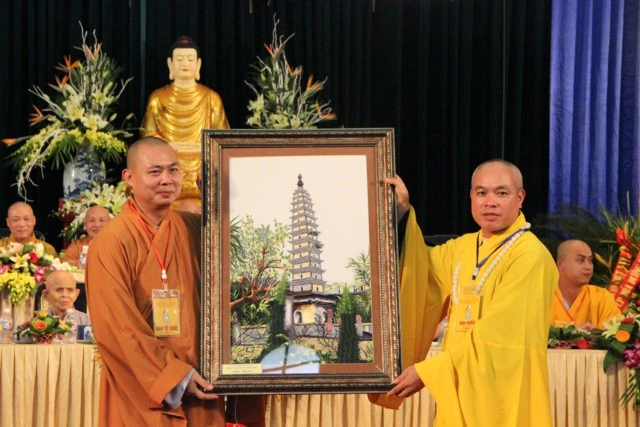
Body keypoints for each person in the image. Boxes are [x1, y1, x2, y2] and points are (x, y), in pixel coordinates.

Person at [85, 137, 262, 426]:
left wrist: (218, 193)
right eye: (155, 171)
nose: (166, 179)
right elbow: (118, 328)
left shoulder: (194, 229)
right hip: (143, 390)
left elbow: (243, 247)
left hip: (201, 382)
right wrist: (175, 376)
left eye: (173, 170)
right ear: (129, 178)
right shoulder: (111, 243)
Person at [381, 159, 558, 426]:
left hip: (504, 393)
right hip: (461, 386)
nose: (490, 202)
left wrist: (430, 371)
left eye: (501, 193)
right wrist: (402, 212)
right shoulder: (461, 248)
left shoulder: (530, 255)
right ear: (471, 197)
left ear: (520, 197)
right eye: (481, 192)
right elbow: (417, 269)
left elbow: (498, 337)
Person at [142, 35, 229, 206]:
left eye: (190, 59)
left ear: (198, 64)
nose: (185, 64)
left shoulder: (211, 98)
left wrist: (200, 148)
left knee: (221, 181)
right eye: (179, 59)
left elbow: (223, 140)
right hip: (169, 166)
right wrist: (170, 147)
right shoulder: (158, 98)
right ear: (170, 64)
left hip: (200, 167)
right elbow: (148, 138)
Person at [550, 239, 621, 329]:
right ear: (561, 265)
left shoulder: (602, 297)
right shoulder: (543, 296)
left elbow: (615, 334)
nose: (588, 267)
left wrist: (594, 334)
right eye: (580, 260)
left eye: (590, 260)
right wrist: (577, 332)